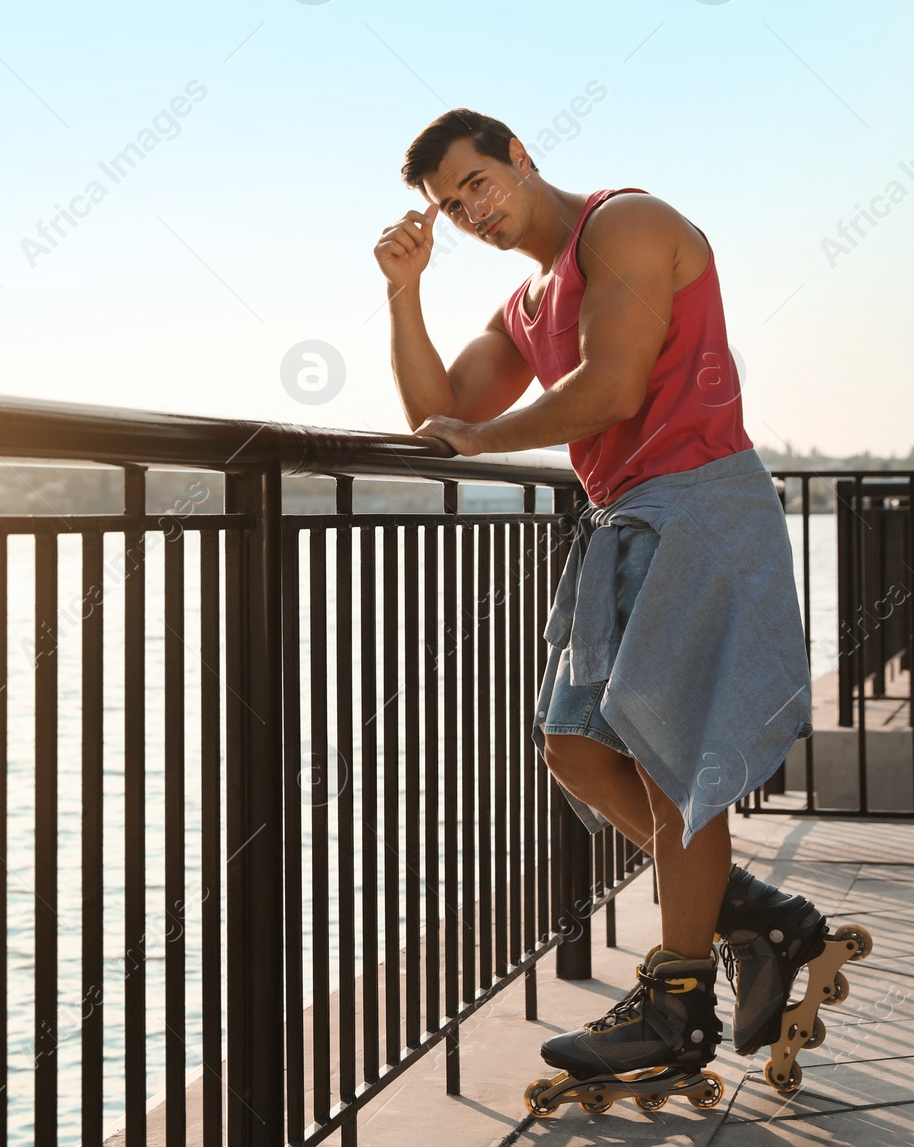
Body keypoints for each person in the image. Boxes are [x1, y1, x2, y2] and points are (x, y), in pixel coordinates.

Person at [374, 108, 872, 1113]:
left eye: (476, 185)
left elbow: (608, 390)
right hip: (624, 519)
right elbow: (439, 414)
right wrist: (402, 294)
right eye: (446, 207)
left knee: (670, 762)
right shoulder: (524, 303)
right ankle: (758, 915)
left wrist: (476, 443)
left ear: (518, 155)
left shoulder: (625, 225)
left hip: (695, 502)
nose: (470, 214)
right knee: (571, 745)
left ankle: (677, 997)